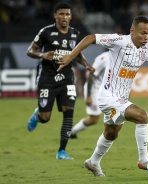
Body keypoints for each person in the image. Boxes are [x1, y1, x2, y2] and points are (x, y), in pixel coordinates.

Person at [59, 15, 148, 176]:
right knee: (142, 116)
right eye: (142, 33)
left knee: (111, 133)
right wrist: (71, 57)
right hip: (107, 96)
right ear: (132, 31)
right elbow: (90, 37)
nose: (146, 37)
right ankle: (144, 159)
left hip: (121, 98)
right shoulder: (119, 41)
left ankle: (93, 162)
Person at [26, 2, 94, 160]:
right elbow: (30, 50)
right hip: (47, 79)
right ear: (55, 15)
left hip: (67, 79)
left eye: (68, 14)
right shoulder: (46, 32)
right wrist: (43, 55)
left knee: (68, 112)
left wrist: (86, 64)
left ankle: (61, 151)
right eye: (62, 14)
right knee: (45, 118)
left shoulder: (75, 34)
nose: (65, 17)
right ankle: (38, 115)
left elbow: (77, 54)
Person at [70, 51, 109, 139]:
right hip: (94, 90)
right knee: (94, 119)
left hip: (106, 91)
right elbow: (91, 75)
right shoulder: (104, 58)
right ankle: (72, 132)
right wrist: (88, 96)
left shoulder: (120, 58)